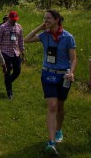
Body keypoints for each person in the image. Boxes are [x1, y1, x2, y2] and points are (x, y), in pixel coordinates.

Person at [24, 10, 77, 156]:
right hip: (47, 74)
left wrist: (71, 72)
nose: (45, 20)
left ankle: (58, 130)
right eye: (44, 18)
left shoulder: (68, 37)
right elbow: (26, 39)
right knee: (52, 106)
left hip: (63, 76)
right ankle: (51, 142)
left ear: (57, 19)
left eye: (48, 18)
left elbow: (73, 59)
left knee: (60, 106)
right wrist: (39, 27)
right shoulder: (44, 35)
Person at [0, 11, 25, 100]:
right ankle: (9, 92)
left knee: (17, 71)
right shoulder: (2, 27)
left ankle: (8, 81)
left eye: (15, 20)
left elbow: (21, 40)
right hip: (5, 52)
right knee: (7, 71)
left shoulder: (19, 27)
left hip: (16, 52)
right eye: (12, 20)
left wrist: (23, 51)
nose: (14, 21)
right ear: (9, 18)